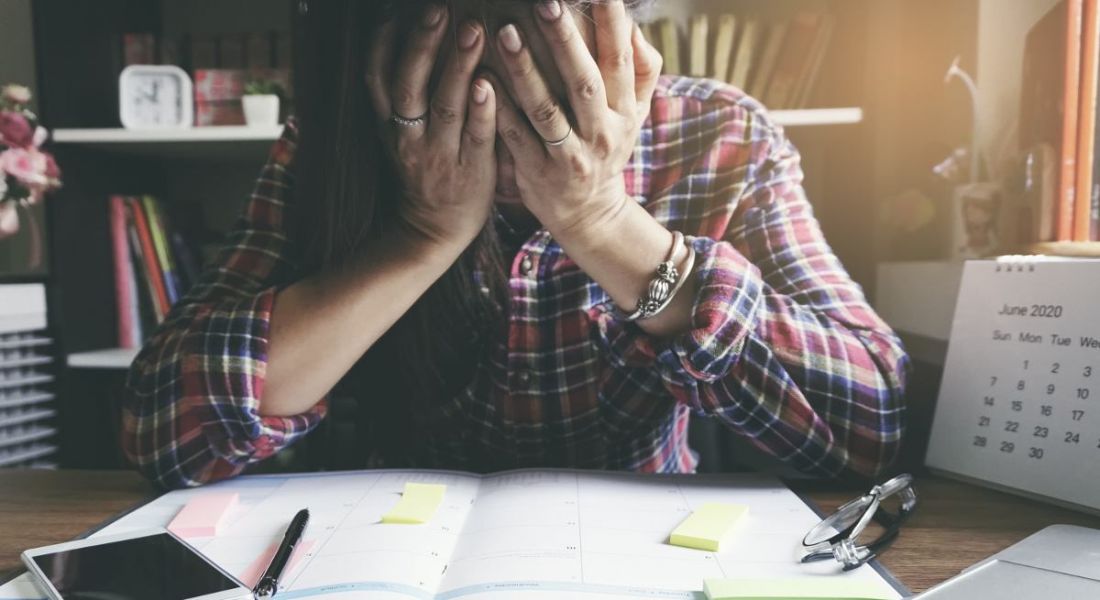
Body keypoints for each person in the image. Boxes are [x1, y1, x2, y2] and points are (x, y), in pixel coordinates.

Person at [122, 0, 908, 490]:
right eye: (469, 97)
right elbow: (164, 432)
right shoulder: (333, 147)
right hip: (383, 549)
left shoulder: (720, 136)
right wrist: (421, 236)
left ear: (620, 49)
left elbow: (871, 428)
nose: (516, 143)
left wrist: (602, 220)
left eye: (550, 98)